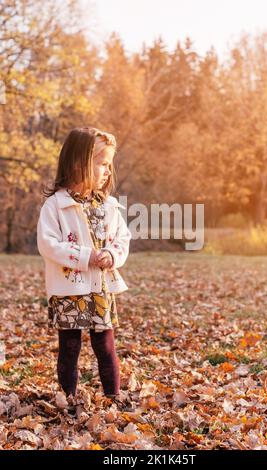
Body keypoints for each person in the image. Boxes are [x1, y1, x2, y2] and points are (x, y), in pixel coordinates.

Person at [37, 126, 131, 410]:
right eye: (102, 164)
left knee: (105, 344)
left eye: (109, 165)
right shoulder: (57, 206)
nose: (107, 171)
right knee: (69, 346)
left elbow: (122, 239)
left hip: (100, 288)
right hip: (70, 290)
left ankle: (113, 396)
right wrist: (85, 256)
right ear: (79, 163)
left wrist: (111, 256)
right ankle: (69, 397)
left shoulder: (109, 206)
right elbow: (48, 245)